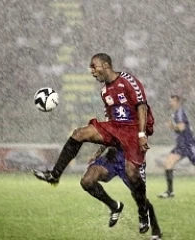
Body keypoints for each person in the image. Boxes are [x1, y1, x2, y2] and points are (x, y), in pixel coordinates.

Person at [33, 53, 155, 234]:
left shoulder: (128, 80)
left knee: (133, 175)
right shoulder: (104, 91)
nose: (91, 71)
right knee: (79, 133)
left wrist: (141, 134)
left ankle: (142, 213)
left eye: (94, 66)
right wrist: (100, 150)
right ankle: (55, 174)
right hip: (116, 128)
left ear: (105, 65)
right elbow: (109, 121)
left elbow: (142, 105)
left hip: (133, 131)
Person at [81, 146, 162, 240]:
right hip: (112, 157)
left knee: (139, 196)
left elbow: (142, 137)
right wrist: (96, 154)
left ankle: (155, 231)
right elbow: (108, 136)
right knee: (87, 181)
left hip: (131, 158)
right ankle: (114, 206)